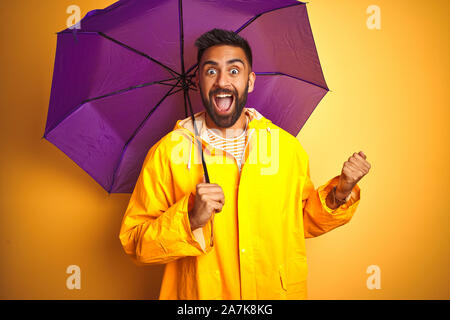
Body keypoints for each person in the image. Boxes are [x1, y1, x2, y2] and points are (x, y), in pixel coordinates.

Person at [119, 29, 371, 300]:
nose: (222, 81)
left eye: (234, 71)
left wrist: (341, 191)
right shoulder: (168, 153)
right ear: (198, 81)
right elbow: (135, 244)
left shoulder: (286, 149)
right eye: (211, 71)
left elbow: (300, 224)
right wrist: (190, 219)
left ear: (250, 81)